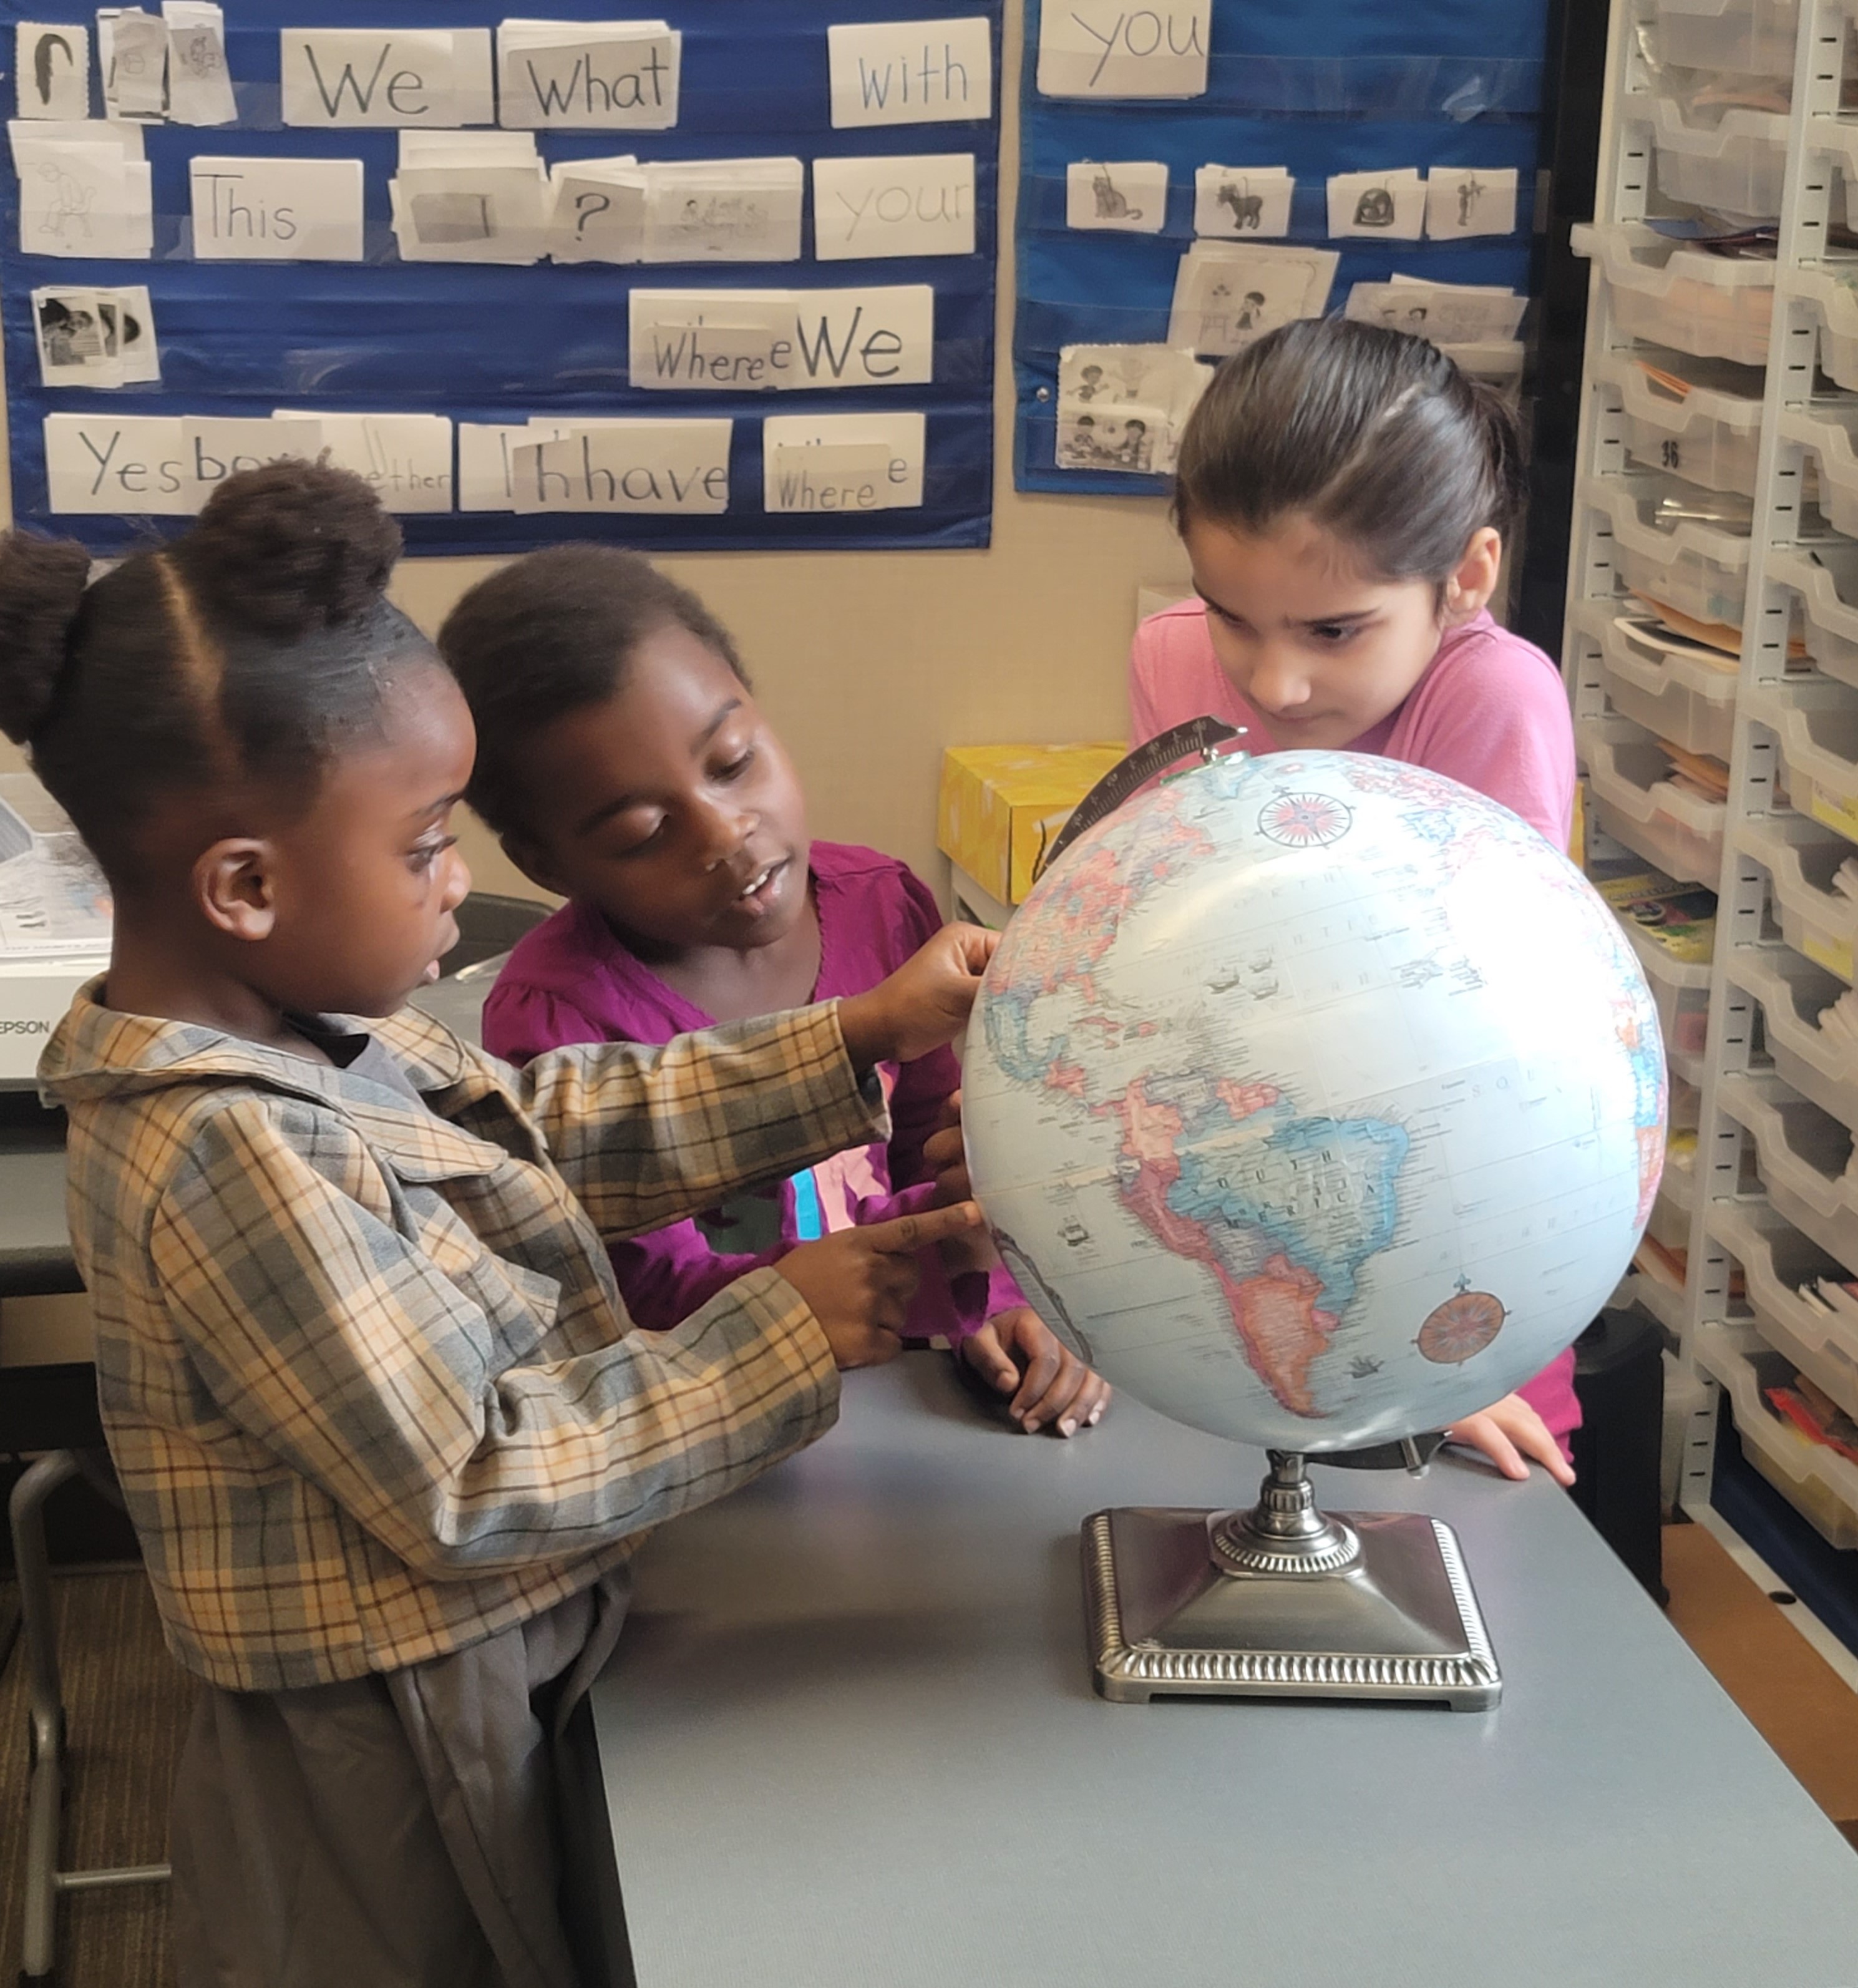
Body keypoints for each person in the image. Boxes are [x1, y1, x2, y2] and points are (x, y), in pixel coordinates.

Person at [0, 462, 995, 1988]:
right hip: (391, 1742)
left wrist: (852, 1031)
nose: (462, 888)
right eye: (423, 847)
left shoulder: (325, 1035)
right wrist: (779, 1326)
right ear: (246, 887)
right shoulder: (222, 1147)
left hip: (486, 1661)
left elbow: (556, 1130)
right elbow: (471, 1477)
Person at [438, 545, 1110, 1440]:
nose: (726, 832)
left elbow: (933, 1139)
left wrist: (993, 1291)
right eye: (643, 831)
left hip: (902, 1415)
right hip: (721, 1431)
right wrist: (903, 1269)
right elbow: (634, 1299)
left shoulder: (882, 902)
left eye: (732, 760)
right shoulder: (557, 1019)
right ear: (548, 864)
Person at [1126, 315, 1582, 1486]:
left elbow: (1480, 1063)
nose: (1273, 680)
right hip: (1229, 1232)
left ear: (1466, 577)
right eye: (1233, 614)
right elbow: (1155, 955)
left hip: (1448, 1237)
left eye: (1335, 632)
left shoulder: (1496, 698)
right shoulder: (1169, 658)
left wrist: (1450, 1364)